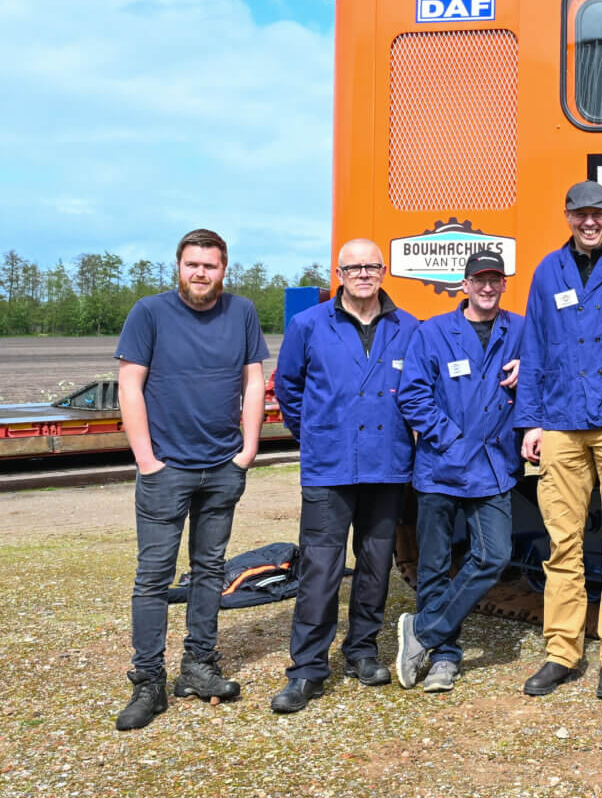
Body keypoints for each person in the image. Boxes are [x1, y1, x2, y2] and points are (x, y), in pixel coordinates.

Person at [113, 228, 269, 731]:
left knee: (209, 570)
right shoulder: (149, 313)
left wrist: (247, 450)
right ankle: (149, 681)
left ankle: (198, 667)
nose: (201, 273)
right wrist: (147, 459)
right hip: (167, 469)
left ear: (224, 269)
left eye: (211, 265)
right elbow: (129, 385)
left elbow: (252, 380)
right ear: (178, 267)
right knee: (153, 577)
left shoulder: (241, 312)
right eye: (192, 264)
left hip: (223, 465)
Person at [515, 179, 602, 700]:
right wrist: (530, 422)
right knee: (563, 545)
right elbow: (534, 346)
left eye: (598, 214)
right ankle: (561, 652)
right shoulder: (547, 271)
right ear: (567, 215)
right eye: (580, 215)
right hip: (560, 423)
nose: (589, 222)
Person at [269, 238, 419, 713]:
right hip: (329, 467)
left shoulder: (408, 326)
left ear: (383, 270)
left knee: (376, 567)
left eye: (371, 266)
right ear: (339, 272)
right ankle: (308, 668)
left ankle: (361, 651)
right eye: (353, 267)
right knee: (321, 569)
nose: (362, 274)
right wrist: (315, 433)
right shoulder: (308, 325)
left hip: (387, 465)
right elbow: (289, 389)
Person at [394, 251, 524, 695]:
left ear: (503, 284)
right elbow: (412, 396)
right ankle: (445, 657)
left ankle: (422, 632)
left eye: (495, 280)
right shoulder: (433, 333)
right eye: (479, 280)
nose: (487, 288)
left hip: (494, 465)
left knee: (493, 555)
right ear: (464, 285)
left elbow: (549, 374)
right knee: (432, 566)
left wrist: (528, 370)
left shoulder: (521, 331)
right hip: (441, 465)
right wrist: (450, 438)